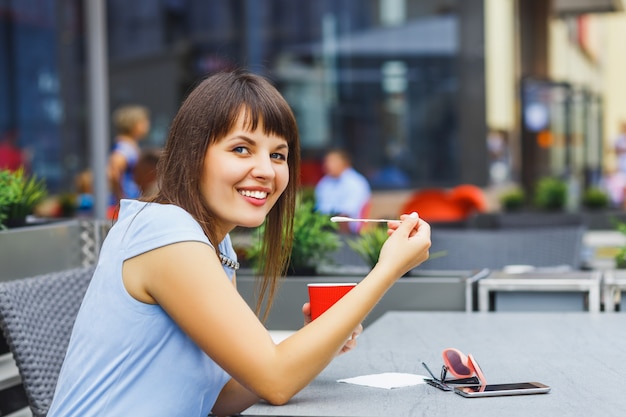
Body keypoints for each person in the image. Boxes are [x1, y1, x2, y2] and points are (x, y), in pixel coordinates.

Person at [47, 70, 431, 417]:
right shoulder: (166, 232)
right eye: (241, 149)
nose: (265, 170)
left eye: (278, 154)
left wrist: (318, 341)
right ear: (193, 154)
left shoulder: (214, 243)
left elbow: (219, 398)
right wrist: (387, 270)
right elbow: (276, 381)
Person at [314, 148, 372, 233]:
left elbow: (346, 215)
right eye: (326, 161)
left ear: (345, 163)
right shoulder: (324, 183)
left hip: (348, 232)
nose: (327, 165)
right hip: (324, 225)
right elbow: (319, 209)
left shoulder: (356, 183)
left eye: (332, 161)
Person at [106, 104, 151, 211]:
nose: (147, 125)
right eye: (143, 122)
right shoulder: (125, 147)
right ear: (133, 124)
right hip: (126, 204)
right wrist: (120, 198)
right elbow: (113, 173)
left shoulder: (129, 145)